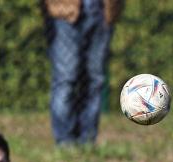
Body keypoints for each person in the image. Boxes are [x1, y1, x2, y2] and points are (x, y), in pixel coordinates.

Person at [43, 0, 124, 145]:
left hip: (103, 10)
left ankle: (87, 139)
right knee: (66, 78)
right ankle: (64, 140)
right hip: (64, 9)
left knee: (95, 79)